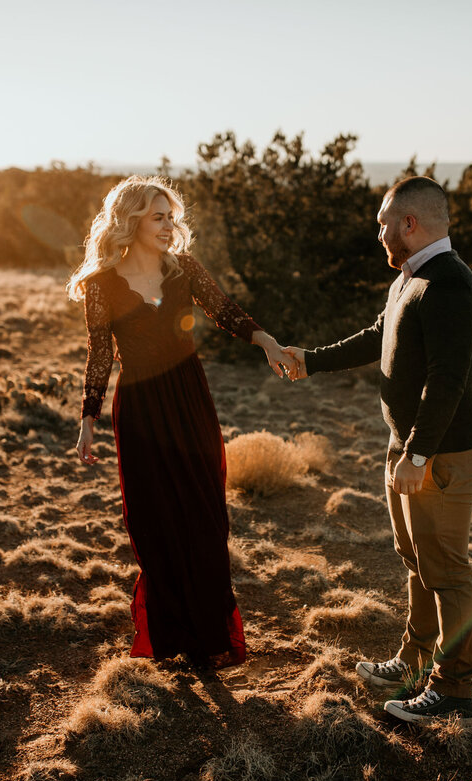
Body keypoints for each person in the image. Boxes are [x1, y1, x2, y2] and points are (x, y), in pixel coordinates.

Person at [283, 176, 472, 723]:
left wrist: (418, 456)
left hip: (439, 456)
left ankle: (455, 694)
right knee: (417, 562)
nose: (379, 235)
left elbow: (447, 381)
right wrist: (310, 359)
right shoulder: (409, 280)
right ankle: (416, 659)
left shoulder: (449, 284)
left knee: (447, 571)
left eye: (383, 225)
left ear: (410, 224)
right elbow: (379, 336)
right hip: (410, 449)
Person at [67, 175, 290, 671]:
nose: (170, 227)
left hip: (190, 402)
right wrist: (88, 418)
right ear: (131, 221)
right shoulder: (101, 286)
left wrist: (268, 342)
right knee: (155, 524)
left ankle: (211, 635)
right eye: (158, 217)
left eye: (172, 217)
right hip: (141, 411)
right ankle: (174, 637)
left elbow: (226, 312)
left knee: (205, 517)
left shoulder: (184, 270)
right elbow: (99, 355)